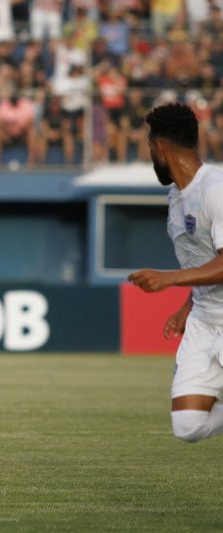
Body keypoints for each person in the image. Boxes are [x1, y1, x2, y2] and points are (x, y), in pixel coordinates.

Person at [128, 102, 223, 444]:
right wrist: (186, 306)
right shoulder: (176, 197)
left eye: (149, 147)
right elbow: (203, 259)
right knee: (188, 424)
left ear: (160, 146)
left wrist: (168, 279)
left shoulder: (215, 189)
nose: (150, 155)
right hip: (204, 320)